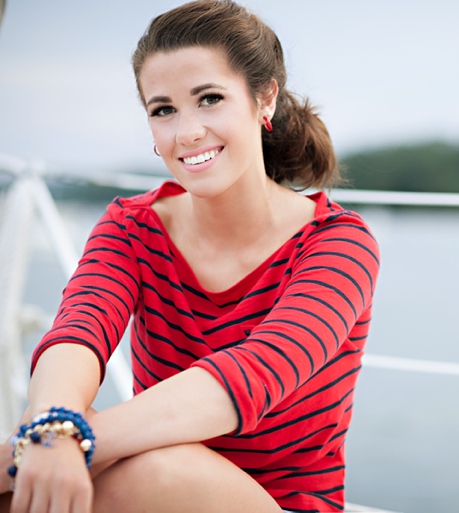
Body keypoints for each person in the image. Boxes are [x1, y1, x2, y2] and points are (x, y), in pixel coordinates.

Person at [0, 1, 379, 511]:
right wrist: (51, 423)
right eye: (163, 109)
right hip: (149, 484)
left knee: (152, 469)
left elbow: (251, 376)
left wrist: (57, 438)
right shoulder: (131, 227)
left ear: (264, 98)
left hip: (278, 503)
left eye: (210, 98)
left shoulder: (337, 244)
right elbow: (79, 332)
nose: (187, 132)